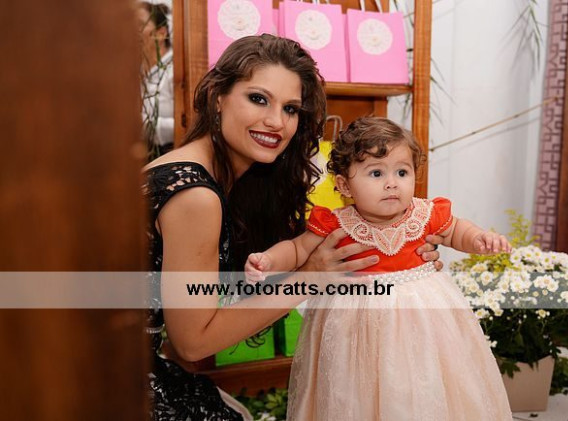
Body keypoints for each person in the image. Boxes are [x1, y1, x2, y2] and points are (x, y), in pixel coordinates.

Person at [143, 35, 442, 420]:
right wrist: (311, 277)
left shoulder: (208, 174)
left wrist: (404, 252)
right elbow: (192, 343)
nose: (276, 122)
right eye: (258, 98)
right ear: (218, 97)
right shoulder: (196, 196)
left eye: (290, 109)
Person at [245, 117, 513, 420]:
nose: (392, 183)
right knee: (356, 387)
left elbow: (456, 231)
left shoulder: (425, 214)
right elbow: (296, 249)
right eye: (376, 173)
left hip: (423, 319)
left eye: (402, 172)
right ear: (344, 185)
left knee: (428, 378)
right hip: (354, 324)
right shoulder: (336, 223)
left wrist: (478, 239)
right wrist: (268, 260)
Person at [138, 1, 175, 159]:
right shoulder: (133, 71)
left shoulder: (175, 72)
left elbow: (190, 124)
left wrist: (140, 125)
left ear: (161, 33)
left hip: (169, 156)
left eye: (139, 24)